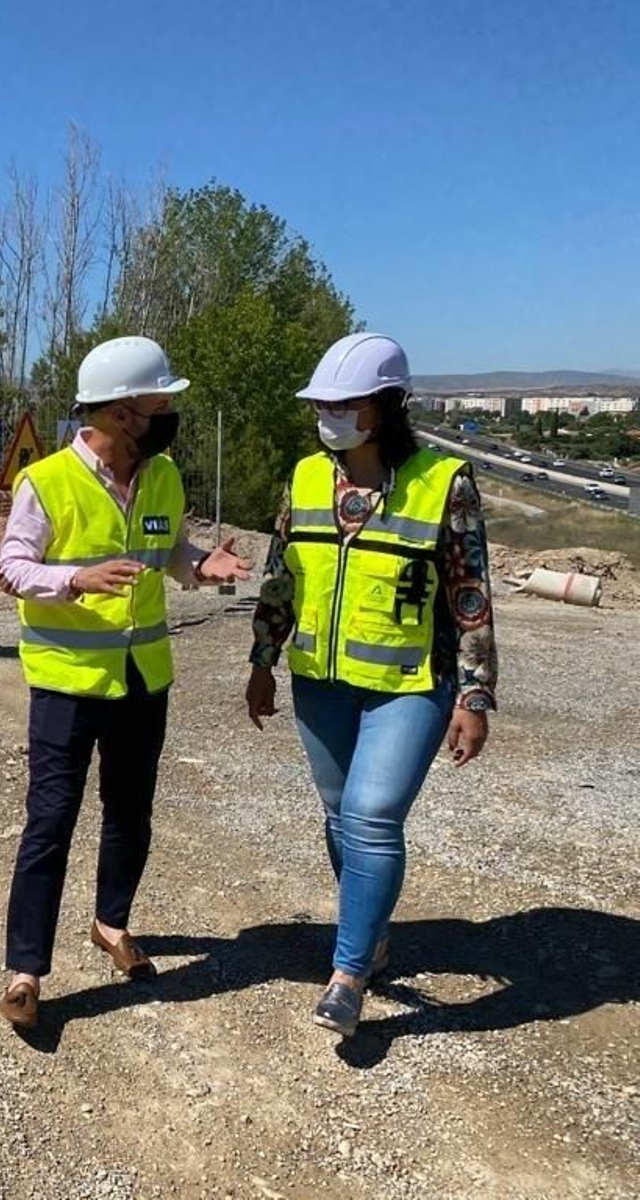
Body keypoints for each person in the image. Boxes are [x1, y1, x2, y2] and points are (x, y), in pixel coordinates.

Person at [245, 333, 499, 1037]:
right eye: (321, 404)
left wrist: (475, 696)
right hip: (321, 683)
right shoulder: (302, 480)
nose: (328, 414)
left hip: (410, 685)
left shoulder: (443, 482)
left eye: (343, 402)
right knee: (338, 815)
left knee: (370, 815)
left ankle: (348, 975)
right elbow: (280, 577)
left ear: (385, 407)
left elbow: (470, 593)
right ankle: (374, 934)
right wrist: (262, 660)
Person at [0, 335, 252, 1029]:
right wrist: (75, 579)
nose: (170, 411)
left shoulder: (162, 475)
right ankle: (25, 971)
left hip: (144, 680)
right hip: (67, 681)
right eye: (158, 401)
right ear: (118, 412)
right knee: (51, 821)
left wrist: (202, 566)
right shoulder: (46, 481)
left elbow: (167, 550)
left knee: (131, 812)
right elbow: (12, 568)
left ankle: (112, 924)